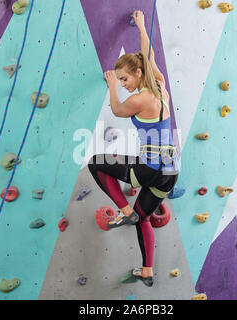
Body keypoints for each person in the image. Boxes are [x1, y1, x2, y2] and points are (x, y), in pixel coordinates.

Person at [88, 10, 179, 287]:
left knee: (95, 162)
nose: (125, 85)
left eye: (126, 79)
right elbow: (148, 54)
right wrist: (141, 26)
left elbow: (116, 109)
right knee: (145, 218)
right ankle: (147, 270)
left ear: (138, 74)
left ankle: (123, 210)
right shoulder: (160, 86)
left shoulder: (141, 99)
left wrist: (112, 86)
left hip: (149, 167)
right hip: (171, 171)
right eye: (121, 81)